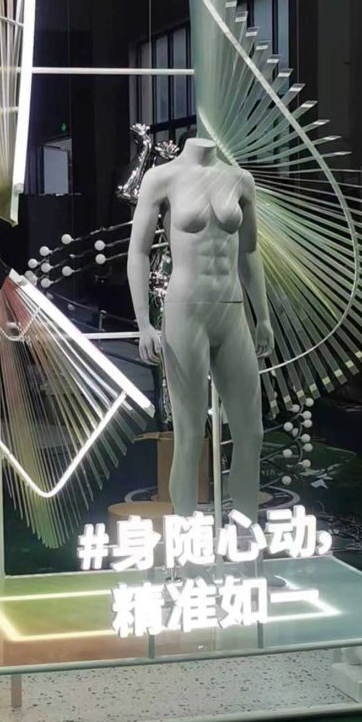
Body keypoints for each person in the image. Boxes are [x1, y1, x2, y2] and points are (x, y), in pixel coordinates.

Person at [127, 136, 273, 519]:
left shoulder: (240, 180)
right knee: (190, 433)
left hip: (232, 310)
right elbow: (138, 251)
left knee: (251, 432)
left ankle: (245, 527)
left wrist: (263, 318)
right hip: (185, 310)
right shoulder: (163, 177)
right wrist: (143, 323)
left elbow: (249, 252)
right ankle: (184, 529)